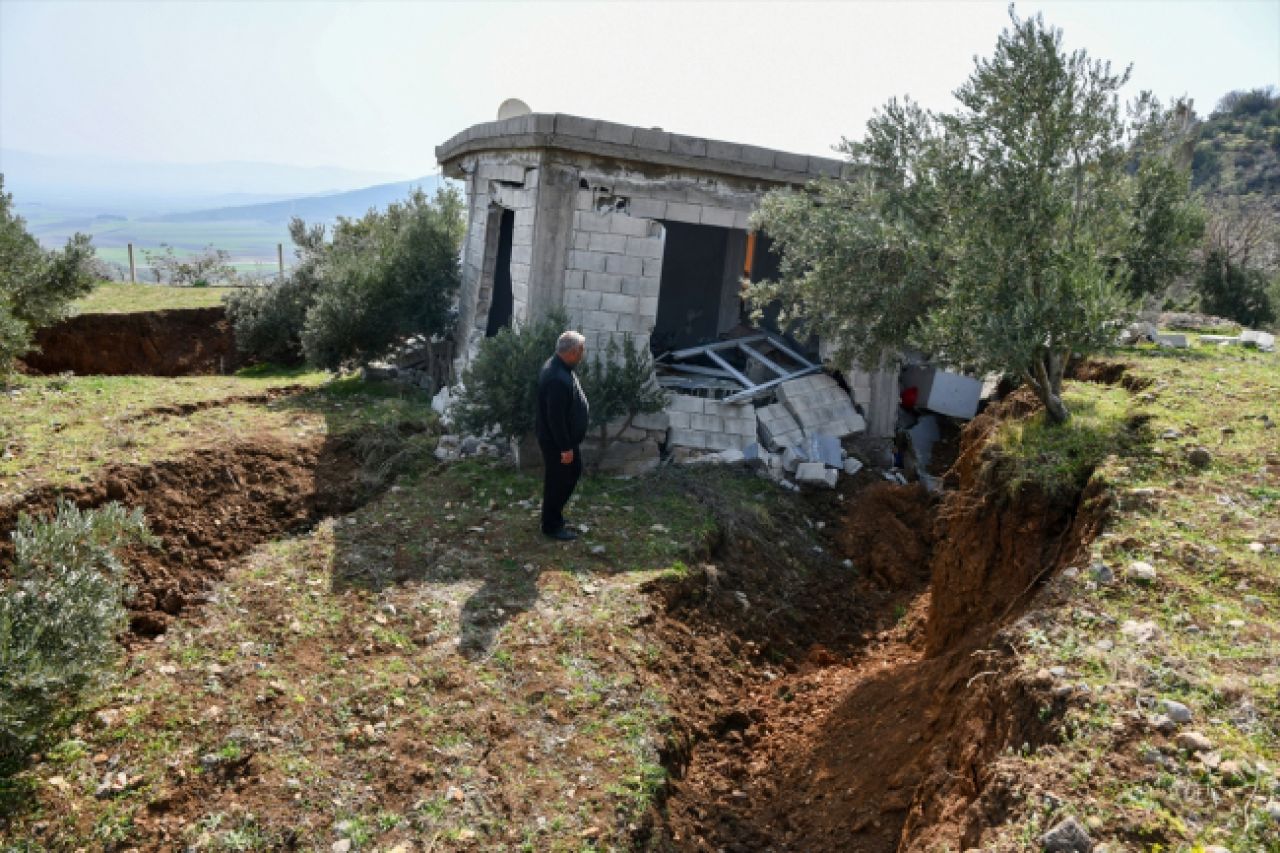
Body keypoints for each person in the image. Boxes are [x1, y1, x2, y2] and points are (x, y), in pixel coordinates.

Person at [536, 330, 590, 540]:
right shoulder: (556, 377)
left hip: (563, 441)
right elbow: (555, 418)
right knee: (558, 481)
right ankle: (550, 525)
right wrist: (565, 448)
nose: (582, 355)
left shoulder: (561, 367)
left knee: (570, 474)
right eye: (581, 351)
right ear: (573, 352)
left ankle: (554, 516)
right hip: (557, 443)